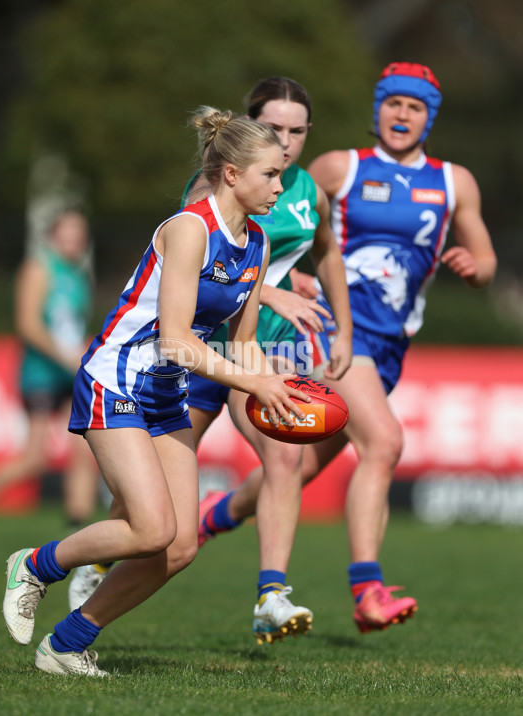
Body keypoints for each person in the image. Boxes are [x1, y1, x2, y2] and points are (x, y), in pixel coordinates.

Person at [2, 106, 313, 677]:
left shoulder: (259, 243)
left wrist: (280, 390)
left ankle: (66, 645)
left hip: (166, 392)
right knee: (150, 528)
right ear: (231, 174)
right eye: (270, 174)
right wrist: (255, 381)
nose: (280, 184)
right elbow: (174, 341)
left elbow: (242, 345)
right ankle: (36, 565)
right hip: (116, 377)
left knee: (179, 547)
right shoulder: (190, 228)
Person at [192, 62, 498, 635]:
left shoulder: (455, 182)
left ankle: (216, 516)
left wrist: (475, 269)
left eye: (414, 107)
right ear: (376, 109)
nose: (401, 115)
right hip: (333, 334)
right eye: (392, 104)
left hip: (390, 344)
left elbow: (483, 260)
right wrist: (279, 286)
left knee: (297, 463)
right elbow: (268, 216)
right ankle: (367, 588)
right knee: (384, 442)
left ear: (429, 116)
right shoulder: (341, 167)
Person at [66, 78, 353, 645]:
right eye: (275, 131)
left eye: (298, 132)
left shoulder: (298, 202)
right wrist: (274, 293)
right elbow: (196, 290)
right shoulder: (201, 208)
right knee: (145, 514)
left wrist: (321, 341)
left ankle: (271, 592)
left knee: (272, 467)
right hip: (176, 361)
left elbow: (325, 254)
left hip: (243, 356)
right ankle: (69, 563)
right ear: (242, 143)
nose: (289, 144)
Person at [0, 210, 100, 548]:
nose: (74, 240)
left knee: (85, 450)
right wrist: (66, 358)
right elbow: (28, 325)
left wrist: (83, 354)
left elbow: (73, 326)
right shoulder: (39, 268)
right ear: (54, 235)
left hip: (72, 372)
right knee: (34, 459)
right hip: (41, 373)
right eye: (68, 232)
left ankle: (77, 533)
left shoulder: (80, 275)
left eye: (80, 233)